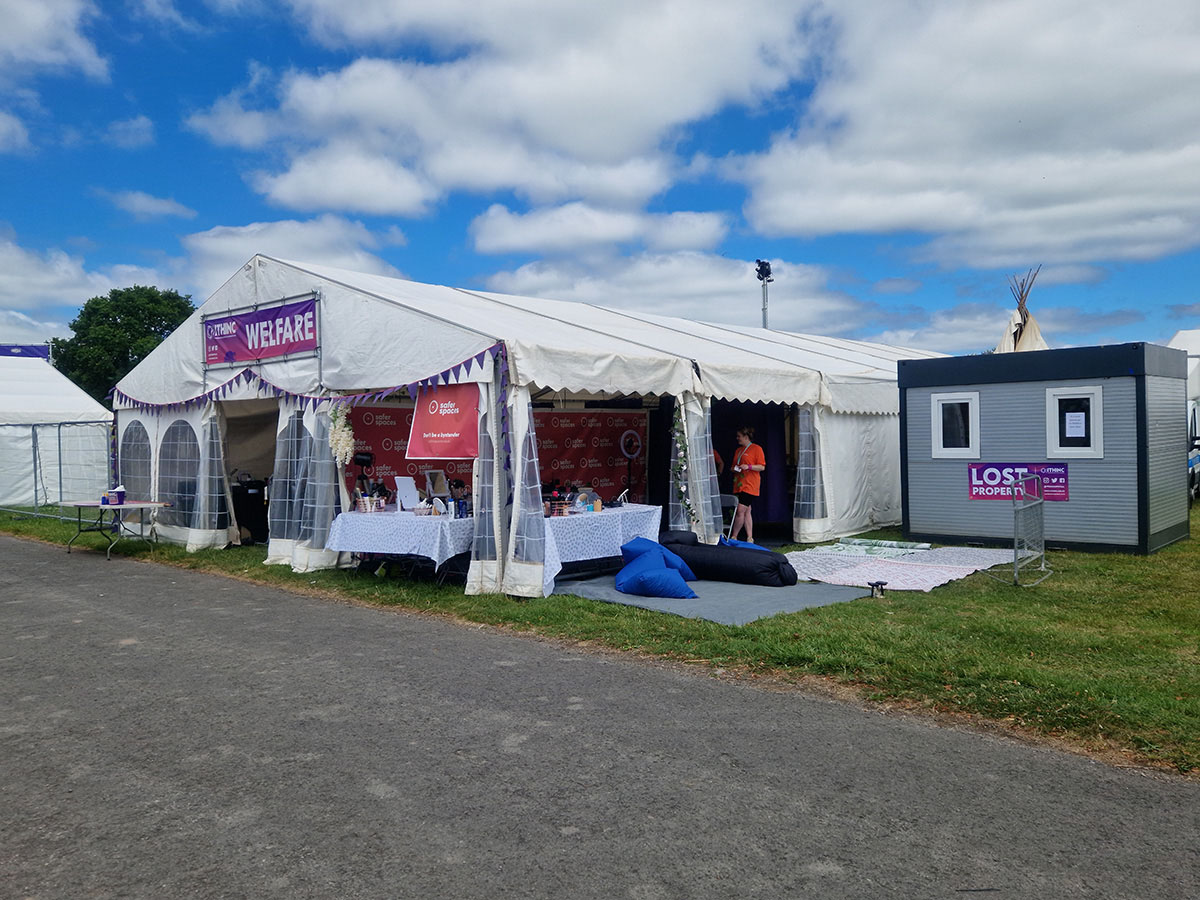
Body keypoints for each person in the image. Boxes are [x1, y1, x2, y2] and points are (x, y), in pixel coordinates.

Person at [730, 426, 765, 542]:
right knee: (747, 511)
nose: (737, 439)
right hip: (739, 484)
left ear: (746, 437)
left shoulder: (757, 449)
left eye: (739, 436)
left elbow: (761, 467)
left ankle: (734, 536)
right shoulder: (738, 450)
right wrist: (735, 469)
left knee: (740, 510)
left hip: (750, 485)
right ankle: (750, 537)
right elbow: (733, 466)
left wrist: (749, 466)